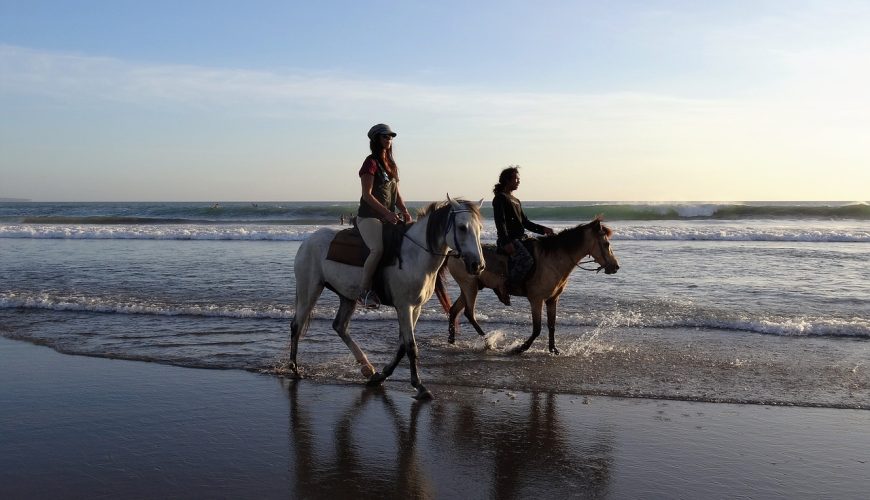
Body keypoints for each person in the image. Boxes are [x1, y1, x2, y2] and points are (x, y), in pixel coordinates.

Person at [355, 123, 413, 308]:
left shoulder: (391, 164)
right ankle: (364, 292)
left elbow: (396, 194)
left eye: (390, 137)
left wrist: (404, 210)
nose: (389, 140)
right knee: (377, 249)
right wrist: (387, 213)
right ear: (376, 139)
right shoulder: (370, 163)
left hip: (388, 217)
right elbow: (367, 195)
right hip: (369, 217)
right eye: (385, 136)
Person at [491, 166, 553, 305]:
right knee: (527, 260)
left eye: (519, 179)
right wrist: (506, 242)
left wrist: (543, 229)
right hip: (509, 240)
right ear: (508, 180)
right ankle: (506, 286)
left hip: (521, 238)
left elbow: (525, 222)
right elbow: (500, 222)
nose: (518, 181)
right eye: (516, 179)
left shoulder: (516, 200)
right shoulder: (500, 198)